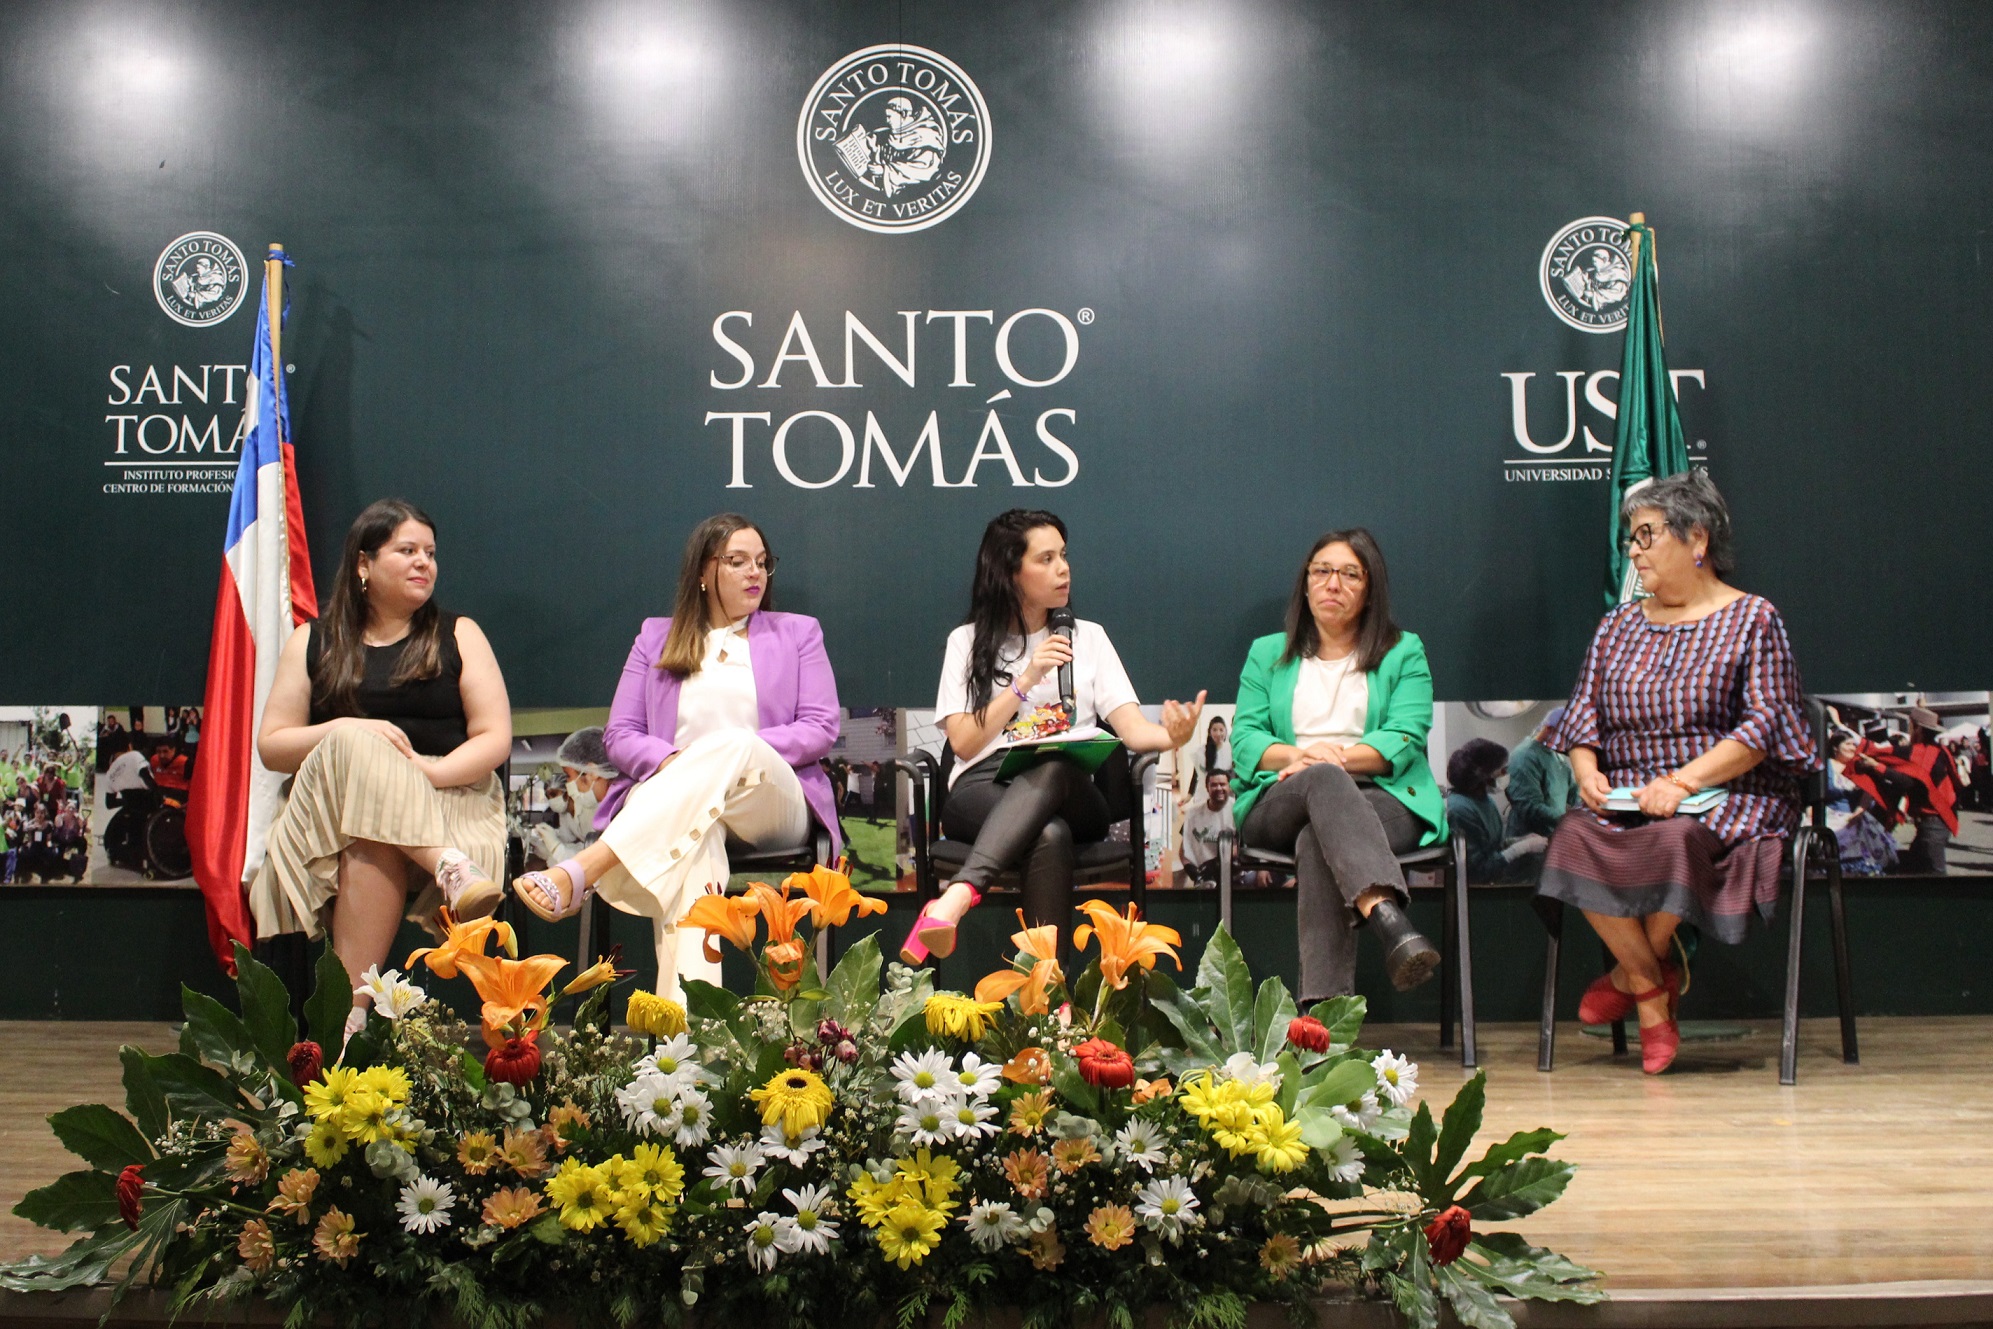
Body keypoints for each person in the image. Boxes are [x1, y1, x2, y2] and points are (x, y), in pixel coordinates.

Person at [1536, 471, 1815, 1075]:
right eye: (1629, 540)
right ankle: (1651, 985)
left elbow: (1764, 727)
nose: (1633, 552)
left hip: (1727, 791)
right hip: (1631, 794)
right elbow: (1583, 715)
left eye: (1645, 535)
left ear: (1697, 539)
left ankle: (1629, 978)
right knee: (1573, 836)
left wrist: (1684, 782)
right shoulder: (1617, 626)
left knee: (1675, 836)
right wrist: (1586, 771)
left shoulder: (1753, 619)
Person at [509, 514, 841, 1001]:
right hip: (679, 801)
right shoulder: (655, 637)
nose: (755, 573)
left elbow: (820, 727)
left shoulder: (798, 633)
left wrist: (718, 751)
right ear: (704, 572)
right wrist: (675, 764)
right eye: (738, 561)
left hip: (770, 798)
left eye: (763, 563)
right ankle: (690, 1043)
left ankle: (587, 867)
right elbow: (621, 734)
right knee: (696, 849)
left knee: (739, 743)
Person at [251, 500, 512, 1038]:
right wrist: (351, 731)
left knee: (372, 835)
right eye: (407, 551)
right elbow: (273, 746)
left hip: (448, 796)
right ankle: (446, 865)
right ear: (364, 564)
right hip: (331, 809)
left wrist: (423, 775)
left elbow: (494, 738)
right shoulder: (314, 640)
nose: (424, 563)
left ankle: (344, 1023)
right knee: (354, 742)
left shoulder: (460, 633)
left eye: (431, 553)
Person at [904, 509, 1206, 964]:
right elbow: (964, 743)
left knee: (1057, 762)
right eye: (1045, 559)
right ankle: (1049, 1006)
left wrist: (1172, 736)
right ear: (1010, 572)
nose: (1062, 568)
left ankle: (959, 896)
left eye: (1063, 555)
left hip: (1073, 790)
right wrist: (1025, 680)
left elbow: (1132, 730)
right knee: (1047, 834)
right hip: (981, 788)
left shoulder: (1090, 639)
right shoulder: (966, 642)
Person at [1231, 529, 1447, 1003]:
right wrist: (1304, 759)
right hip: (1280, 795)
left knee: (1318, 839)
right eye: (1322, 571)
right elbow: (1245, 741)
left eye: (1351, 574)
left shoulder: (1403, 651)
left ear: (1370, 590)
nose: (1334, 584)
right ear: (1305, 584)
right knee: (1322, 782)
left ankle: (1322, 1024)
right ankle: (1387, 917)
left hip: (1383, 797)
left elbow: (1406, 736)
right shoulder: (1267, 654)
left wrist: (1338, 757)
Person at [1445, 739, 1549, 884]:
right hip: (1471, 893)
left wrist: (1517, 842)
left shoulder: (1486, 802)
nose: (1506, 774)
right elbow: (1475, 871)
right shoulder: (1460, 810)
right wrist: (1521, 848)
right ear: (1484, 774)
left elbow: (1490, 846)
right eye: (1502, 770)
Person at [529, 727, 615, 864]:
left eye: (568, 776)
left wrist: (557, 848)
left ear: (591, 772)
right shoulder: (609, 804)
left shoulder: (616, 812)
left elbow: (596, 865)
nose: (567, 783)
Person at [1825, 729, 1898, 875]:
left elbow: (1868, 792)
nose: (1853, 748)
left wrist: (1859, 811)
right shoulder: (1826, 766)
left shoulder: (1858, 766)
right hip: (1830, 816)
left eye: (1854, 744)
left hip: (1855, 816)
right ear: (1835, 747)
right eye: (1848, 744)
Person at [1505, 706, 1579, 839]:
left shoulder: (1555, 755)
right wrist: (1566, 821)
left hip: (1552, 835)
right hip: (1529, 840)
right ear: (1549, 729)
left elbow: (1572, 791)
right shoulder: (1525, 757)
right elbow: (1530, 807)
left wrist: (1590, 809)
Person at [99, 730, 158, 871]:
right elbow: (147, 779)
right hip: (148, 802)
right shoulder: (135, 756)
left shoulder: (110, 772)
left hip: (130, 806)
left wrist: (126, 803)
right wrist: (160, 796)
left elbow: (110, 804)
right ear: (129, 746)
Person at [1179, 768, 1234, 883]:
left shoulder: (1238, 810)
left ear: (1229, 786)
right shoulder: (1193, 813)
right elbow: (1184, 848)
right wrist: (1190, 869)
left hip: (1231, 877)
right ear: (1207, 788)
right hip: (1203, 878)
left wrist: (1215, 865)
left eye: (1222, 784)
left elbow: (1238, 849)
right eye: (1214, 785)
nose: (1219, 788)